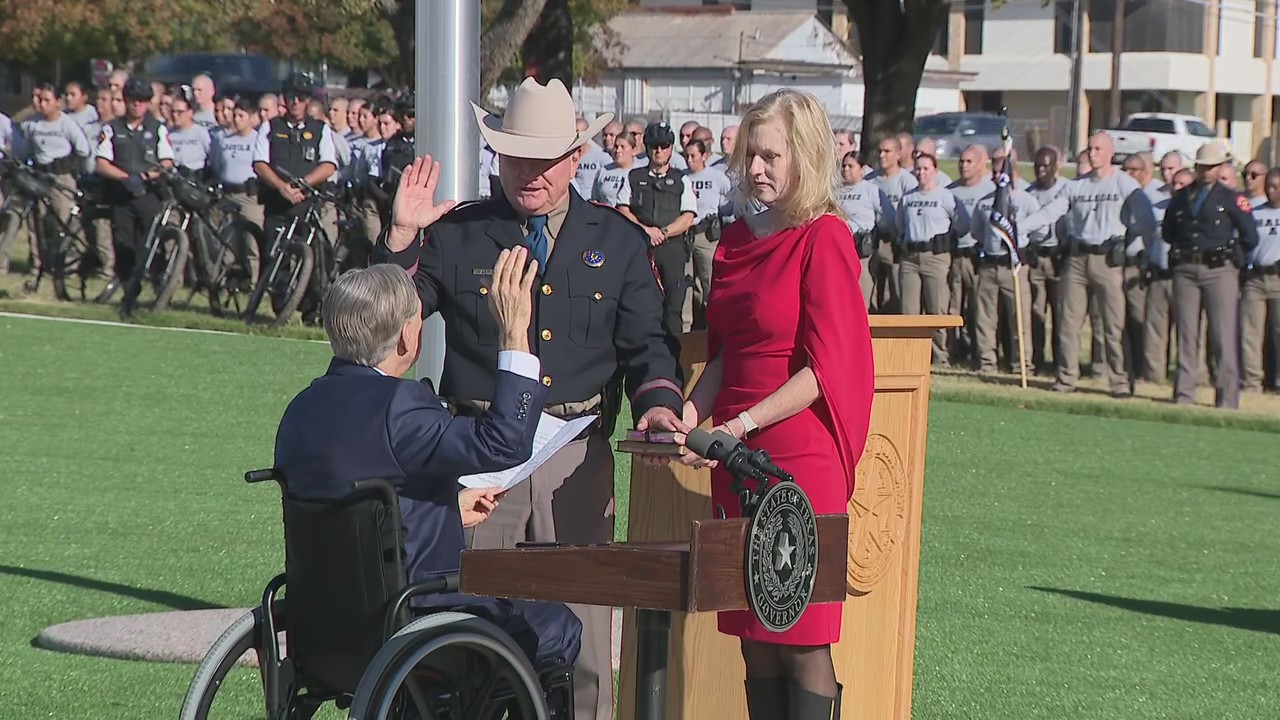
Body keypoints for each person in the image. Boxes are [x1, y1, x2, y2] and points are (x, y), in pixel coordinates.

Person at [373, 77, 685, 720]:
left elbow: (647, 345)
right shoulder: (459, 233)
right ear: (497, 156)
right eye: (517, 157)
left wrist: (659, 402)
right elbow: (388, 322)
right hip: (484, 456)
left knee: (589, 644)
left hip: (575, 459)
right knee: (482, 634)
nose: (531, 173)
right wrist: (401, 241)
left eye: (546, 159)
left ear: (576, 157)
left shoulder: (619, 242)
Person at [273, 260, 582, 672]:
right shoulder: (400, 405)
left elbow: (351, 504)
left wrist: (447, 509)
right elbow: (504, 443)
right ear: (406, 336)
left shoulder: (301, 409)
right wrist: (513, 335)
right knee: (557, 626)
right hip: (416, 613)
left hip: (325, 616)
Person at [673, 88, 875, 719]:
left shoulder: (825, 238)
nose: (754, 169)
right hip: (737, 458)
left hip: (798, 461)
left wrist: (740, 423)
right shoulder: (736, 237)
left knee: (802, 639)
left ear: (805, 157)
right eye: (748, 155)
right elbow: (730, 352)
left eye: (769, 157)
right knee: (755, 641)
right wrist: (690, 413)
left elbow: (827, 369)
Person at [1162, 143, 1258, 408]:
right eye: (1203, 166)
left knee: (1223, 335)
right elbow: (1168, 231)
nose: (1206, 171)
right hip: (1186, 268)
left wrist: (1233, 257)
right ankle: (1184, 394)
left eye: (1212, 166)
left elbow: (1250, 236)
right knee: (1187, 333)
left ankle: (1227, 398)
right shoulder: (1182, 197)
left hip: (1219, 270)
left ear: (1221, 168)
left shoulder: (1232, 199)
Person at [95, 76, 175, 316]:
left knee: (150, 244)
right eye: (133, 100)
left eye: (142, 101)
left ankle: (160, 289)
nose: (137, 105)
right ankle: (130, 295)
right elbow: (101, 163)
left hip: (148, 195)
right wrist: (124, 177)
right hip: (121, 196)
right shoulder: (111, 128)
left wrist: (149, 176)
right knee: (124, 246)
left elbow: (167, 161)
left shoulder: (157, 128)